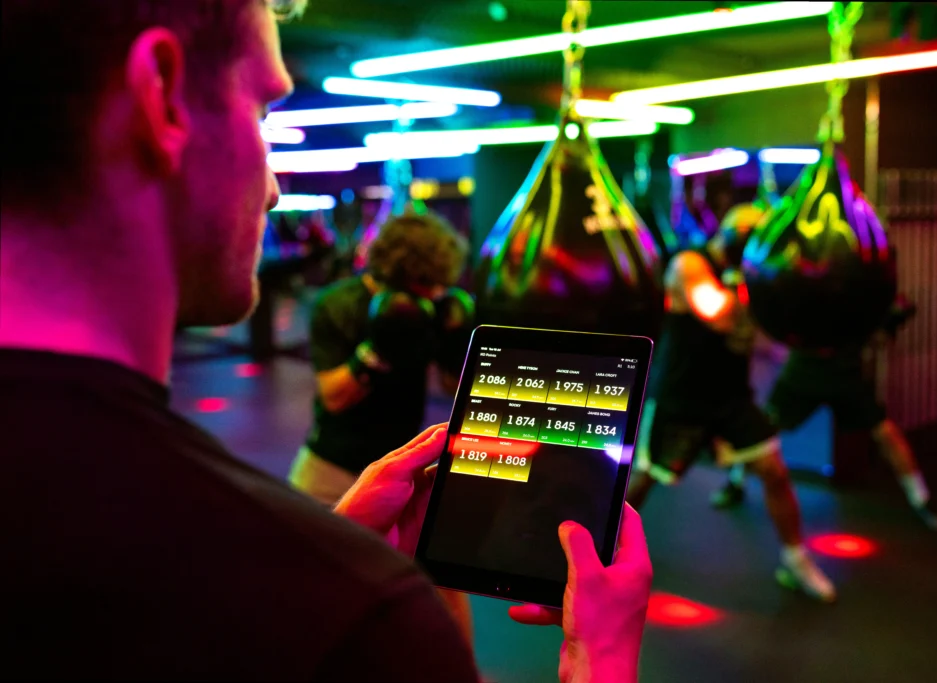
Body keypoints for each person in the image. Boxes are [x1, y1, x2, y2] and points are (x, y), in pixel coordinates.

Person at [0, 1, 653, 680]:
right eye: (262, 114)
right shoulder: (350, 619)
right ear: (161, 93)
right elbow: (336, 400)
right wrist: (599, 659)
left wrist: (330, 552)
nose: (277, 188)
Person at [627, 202, 837, 603]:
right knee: (645, 479)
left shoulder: (754, 277)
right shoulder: (689, 265)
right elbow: (719, 313)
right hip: (681, 394)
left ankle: (795, 560)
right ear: (734, 235)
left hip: (730, 397)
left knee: (774, 471)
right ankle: (598, 551)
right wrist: (769, 292)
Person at [710, 297, 937, 532]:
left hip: (844, 371)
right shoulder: (806, 282)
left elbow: (877, 330)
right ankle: (735, 483)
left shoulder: (857, 283)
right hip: (803, 371)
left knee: (886, 432)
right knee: (762, 430)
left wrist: (884, 326)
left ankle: (921, 499)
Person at [288, 210, 473, 505]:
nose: (436, 292)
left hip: (399, 464)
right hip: (333, 468)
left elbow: (453, 387)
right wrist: (379, 349)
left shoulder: (432, 307)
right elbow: (334, 398)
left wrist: (457, 347)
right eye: (427, 282)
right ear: (401, 273)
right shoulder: (337, 305)